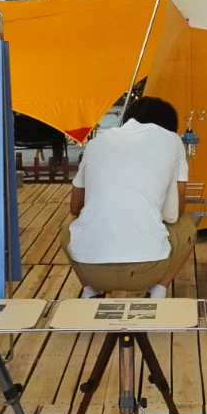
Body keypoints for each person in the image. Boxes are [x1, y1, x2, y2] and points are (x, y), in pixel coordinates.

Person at [66, 96, 195, 299]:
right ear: (169, 125)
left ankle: (90, 291)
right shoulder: (172, 140)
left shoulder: (96, 143)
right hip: (147, 269)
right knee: (187, 227)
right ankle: (158, 291)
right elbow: (173, 214)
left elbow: (74, 207)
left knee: (68, 230)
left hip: (91, 269)